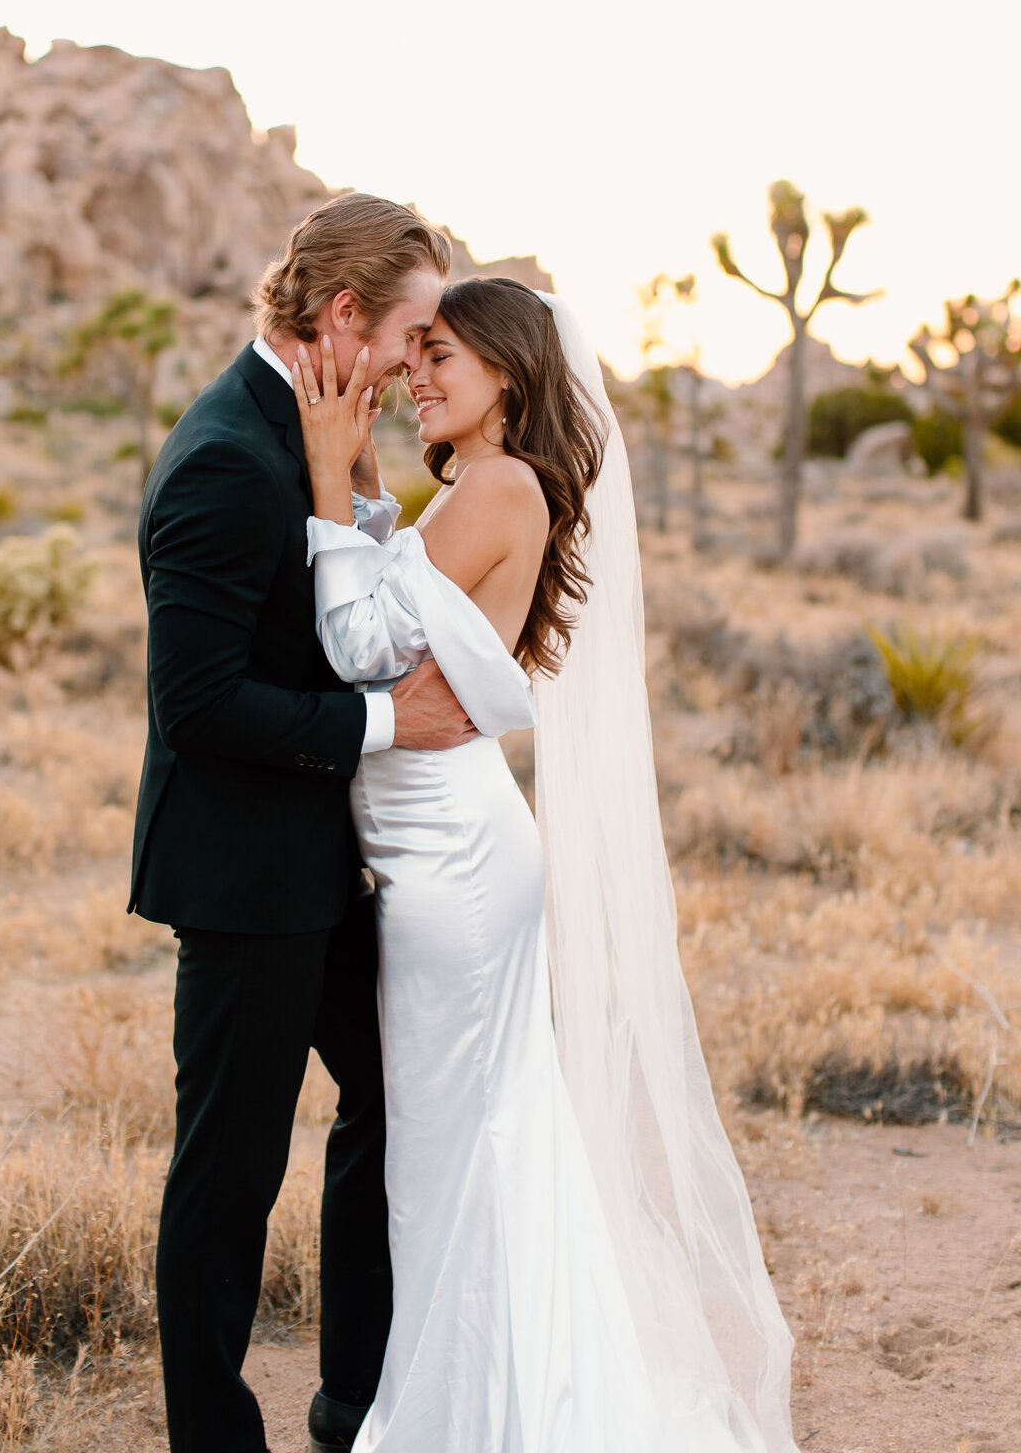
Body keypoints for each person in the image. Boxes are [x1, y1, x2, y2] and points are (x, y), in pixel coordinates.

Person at [291, 276, 799, 1452]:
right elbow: (408, 616)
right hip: (443, 846)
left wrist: (329, 477)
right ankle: (491, 1393)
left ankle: (488, 1412)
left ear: (507, 376)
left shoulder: (500, 485)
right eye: (415, 359)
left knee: (463, 1144)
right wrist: (369, 492)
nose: (419, 376)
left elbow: (361, 642)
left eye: (442, 360)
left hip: (454, 866)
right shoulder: (475, 488)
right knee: (460, 1140)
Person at [130, 194, 477, 1453]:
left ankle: (356, 1398)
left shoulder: (314, 435)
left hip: (322, 865)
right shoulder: (230, 453)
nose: (414, 361)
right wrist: (397, 729)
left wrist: (364, 491)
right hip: (243, 875)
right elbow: (200, 699)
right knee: (229, 1171)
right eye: (411, 334)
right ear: (343, 317)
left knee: (391, 1093)